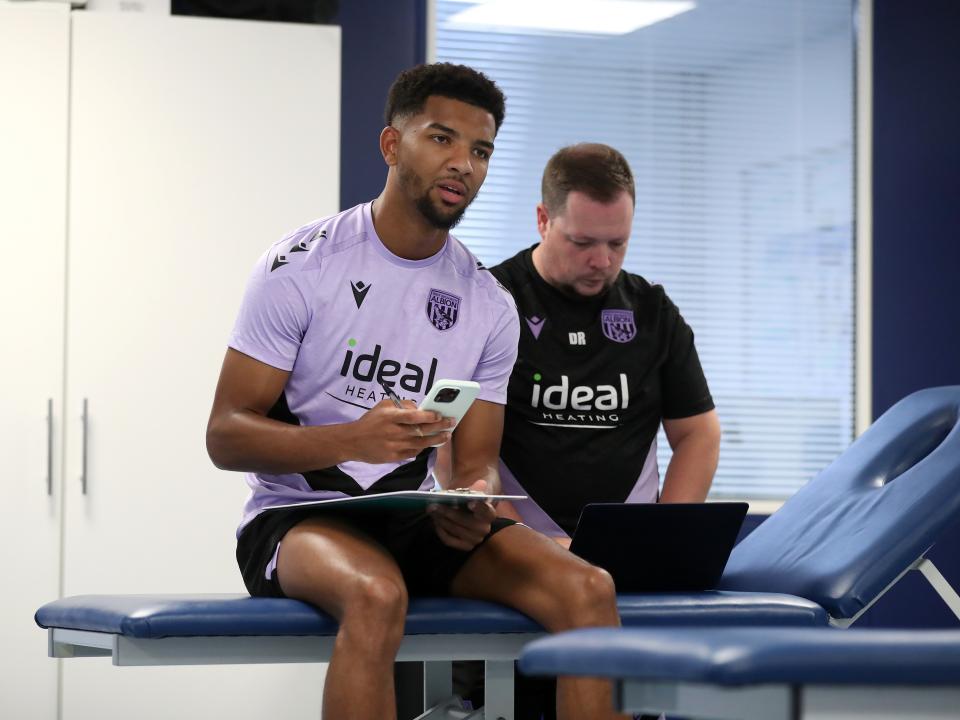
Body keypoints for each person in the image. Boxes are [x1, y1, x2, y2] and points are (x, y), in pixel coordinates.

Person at [206, 64, 629, 720]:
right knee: (377, 595)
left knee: (589, 590)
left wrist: (473, 500)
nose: (463, 163)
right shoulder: (301, 266)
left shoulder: (488, 302)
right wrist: (352, 437)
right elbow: (226, 434)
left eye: (481, 150)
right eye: (441, 139)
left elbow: (478, 460)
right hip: (296, 518)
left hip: (415, 517)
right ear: (391, 145)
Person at [454, 143, 722, 718]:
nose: (602, 260)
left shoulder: (653, 313)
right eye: (582, 242)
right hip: (516, 552)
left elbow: (698, 435)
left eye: (617, 243)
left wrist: (665, 539)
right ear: (543, 220)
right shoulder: (489, 300)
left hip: (624, 560)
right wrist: (527, 545)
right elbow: (459, 451)